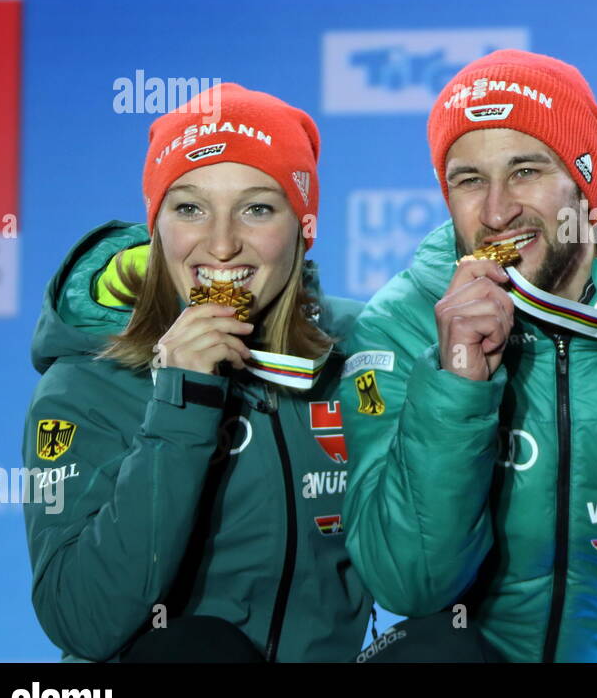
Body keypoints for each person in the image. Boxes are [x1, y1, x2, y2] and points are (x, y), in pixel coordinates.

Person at [342, 49, 597, 662]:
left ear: (585, 183)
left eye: (526, 171)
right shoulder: (399, 323)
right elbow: (411, 583)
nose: (496, 212)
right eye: (469, 180)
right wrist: (458, 381)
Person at [22, 84, 372, 662]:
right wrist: (181, 400)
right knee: (195, 649)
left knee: (443, 642)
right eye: (190, 208)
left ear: (303, 227)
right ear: (156, 228)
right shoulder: (84, 382)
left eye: (257, 208)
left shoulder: (360, 352)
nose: (222, 244)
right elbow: (79, 620)